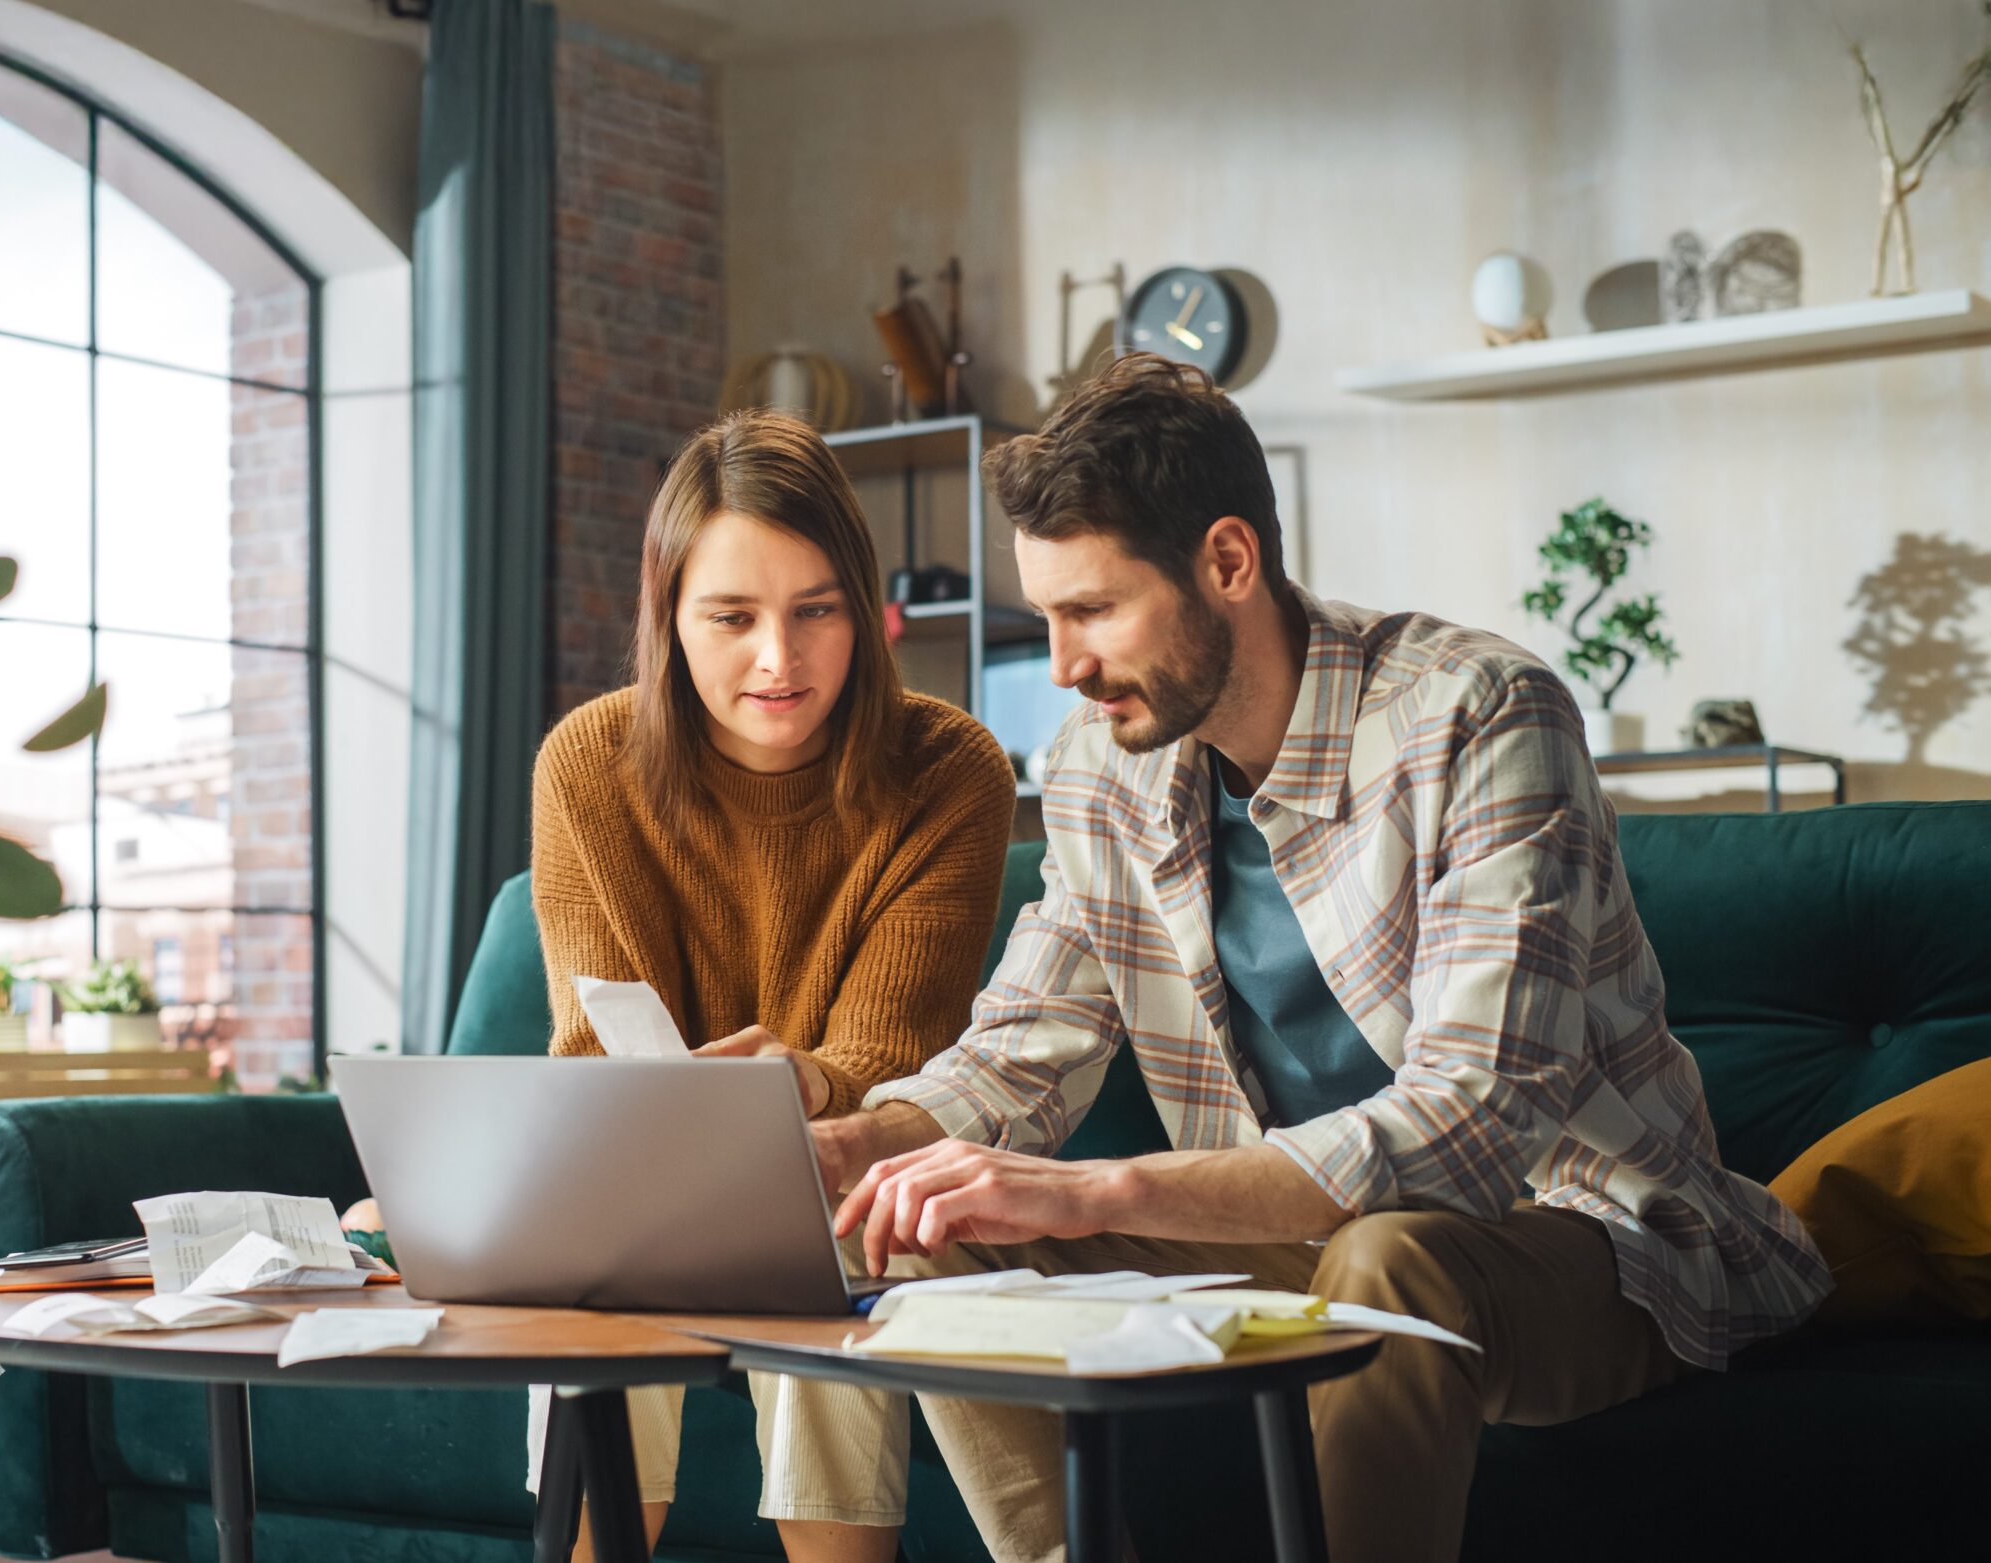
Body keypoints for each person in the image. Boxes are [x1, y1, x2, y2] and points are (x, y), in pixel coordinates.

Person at [793, 353, 1831, 1563]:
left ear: (1227, 562)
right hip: (1289, 1238)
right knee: (914, 1216)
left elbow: (1473, 1119)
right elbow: (1023, 1050)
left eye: (1094, 611)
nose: (1063, 666)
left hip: (1576, 1231)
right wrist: (856, 1144)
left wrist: (1106, 1185)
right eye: (1046, 617)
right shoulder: (1097, 767)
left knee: (1387, 1258)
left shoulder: (1481, 713)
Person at [360, 409, 1017, 1563]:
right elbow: (592, 1053)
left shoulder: (949, 767)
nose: (780, 657)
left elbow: (898, 1057)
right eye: (732, 617)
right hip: (638, 1180)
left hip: (850, 1170)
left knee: (833, 1234)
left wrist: (804, 1082)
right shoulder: (587, 763)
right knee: (602, 1254)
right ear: (668, 618)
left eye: (816, 611)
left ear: (866, 615)